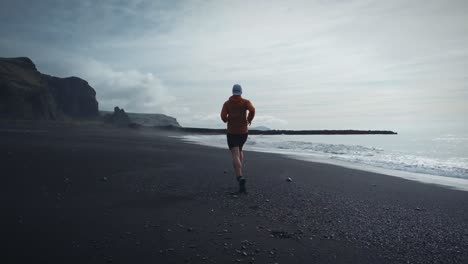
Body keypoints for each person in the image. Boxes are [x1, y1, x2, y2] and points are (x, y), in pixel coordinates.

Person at [220, 84, 255, 193]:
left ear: (232, 92)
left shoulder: (227, 103)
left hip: (232, 132)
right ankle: (240, 169)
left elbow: (222, 116)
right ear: (241, 92)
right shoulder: (245, 102)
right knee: (240, 150)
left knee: (235, 154)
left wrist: (226, 120)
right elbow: (252, 110)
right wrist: (249, 119)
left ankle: (240, 176)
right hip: (243, 133)